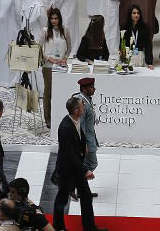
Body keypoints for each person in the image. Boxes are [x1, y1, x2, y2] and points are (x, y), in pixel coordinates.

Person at [52, 97, 107, 231]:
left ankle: (89, 227)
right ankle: (58, 227)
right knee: (62, 199)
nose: (84, 108)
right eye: (82, 106)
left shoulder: (75, 120)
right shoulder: (65, 127)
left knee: (86, 196)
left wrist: (84, 148)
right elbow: (69, 154)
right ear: (76, 110)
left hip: (76, 167)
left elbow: (79, 140)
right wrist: (85, 170)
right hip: (67, 170)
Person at [39, 9, 70, 128]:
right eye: (52, 19)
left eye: (56, 18)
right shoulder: (45, 31)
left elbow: (70, 47)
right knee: (48, 93)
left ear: (59, 19)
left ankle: (60, 116)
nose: (54, 21)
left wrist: (65, 58)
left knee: (61, 92)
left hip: (61, 66)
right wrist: (49, 58)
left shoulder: (65, 30)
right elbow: (39, 48)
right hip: (48, 66)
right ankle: (48, 118)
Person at [76, 77, 100, 176]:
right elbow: (80, 125)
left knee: (86, 166)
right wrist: (83, 144)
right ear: (84, 89)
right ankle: (78, 185)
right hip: (87, 140)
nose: (94, 89)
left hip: (90, 137)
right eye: (91, 87)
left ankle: (80, 187)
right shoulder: (82, 103)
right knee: (91, 164)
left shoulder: (87, 99)